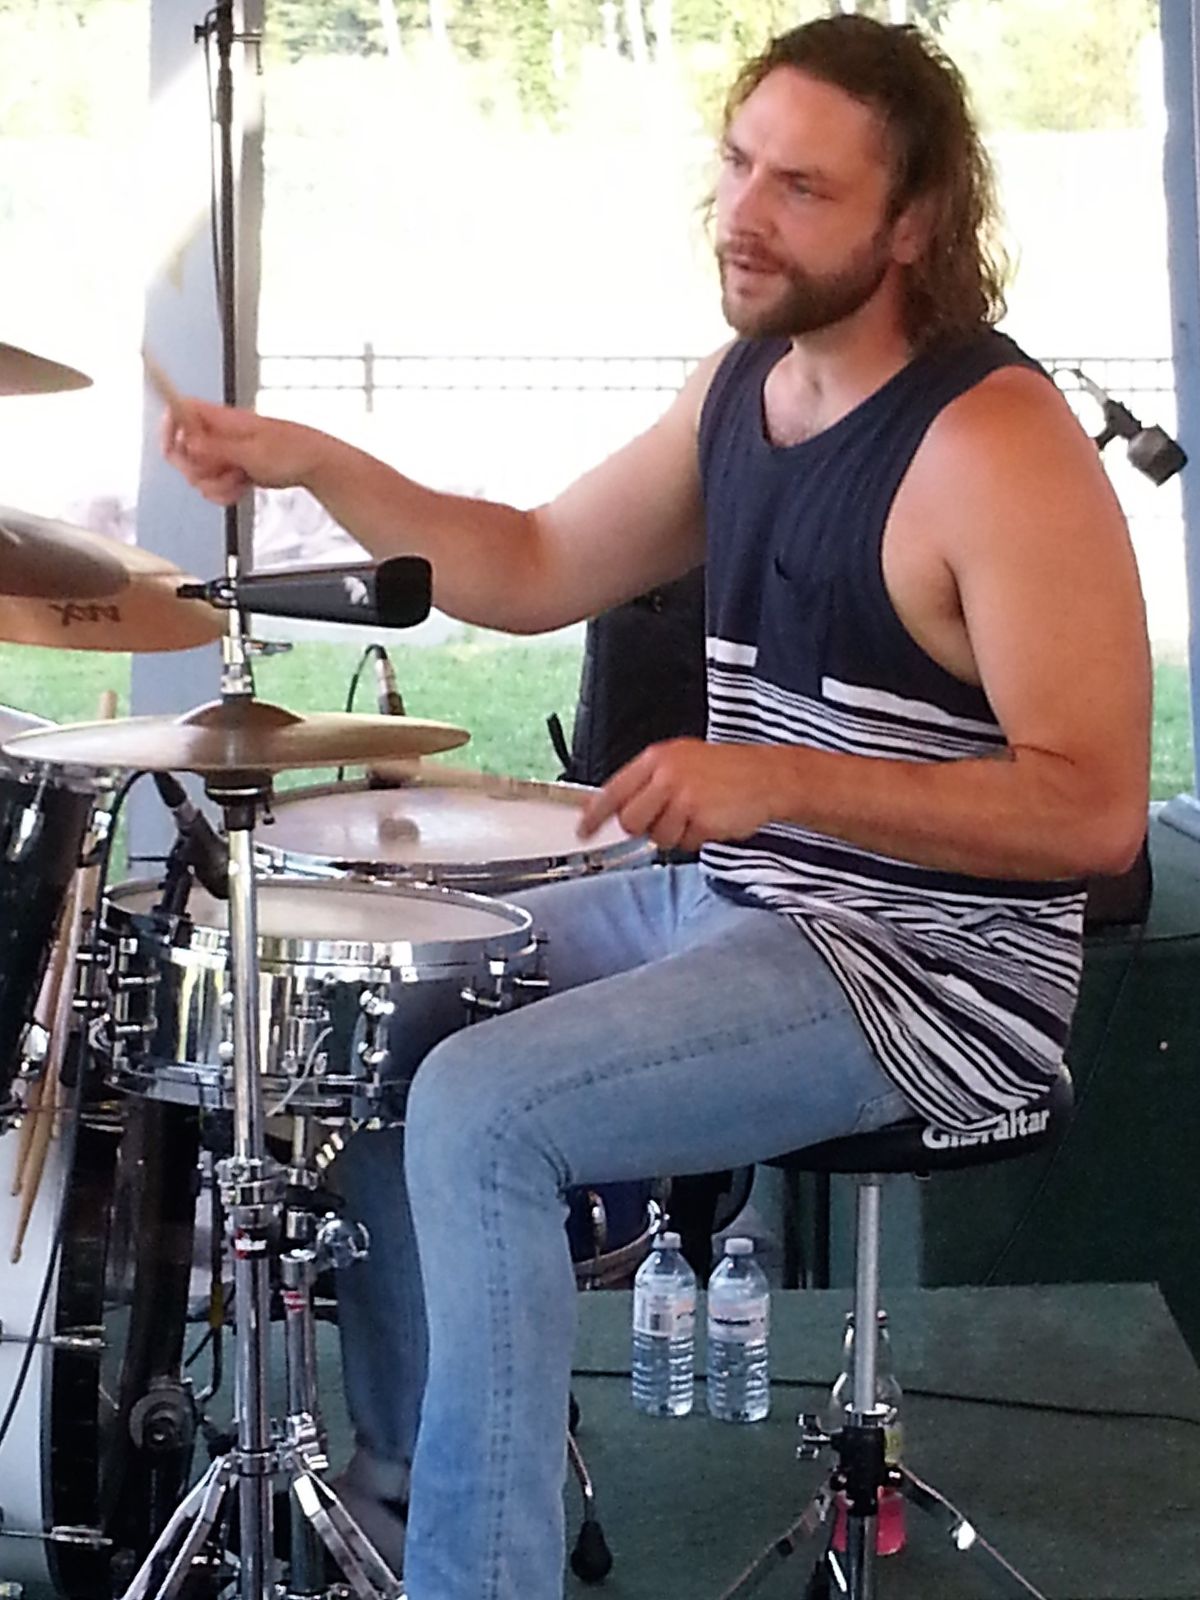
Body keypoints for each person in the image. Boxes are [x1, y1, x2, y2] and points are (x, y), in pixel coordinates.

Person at [162, 14, 1150, 1599]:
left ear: (913, 222)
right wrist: (310, 458)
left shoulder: (994, 447)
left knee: (488, 1108)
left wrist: (780, 778)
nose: (743, 213)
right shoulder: (743, 391)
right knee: (382, 1003)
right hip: (742, 902)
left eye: (802, 189)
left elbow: (1095, 816)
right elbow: (534, 560)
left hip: (925, 973)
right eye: (738, 165)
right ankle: (425, 1504)